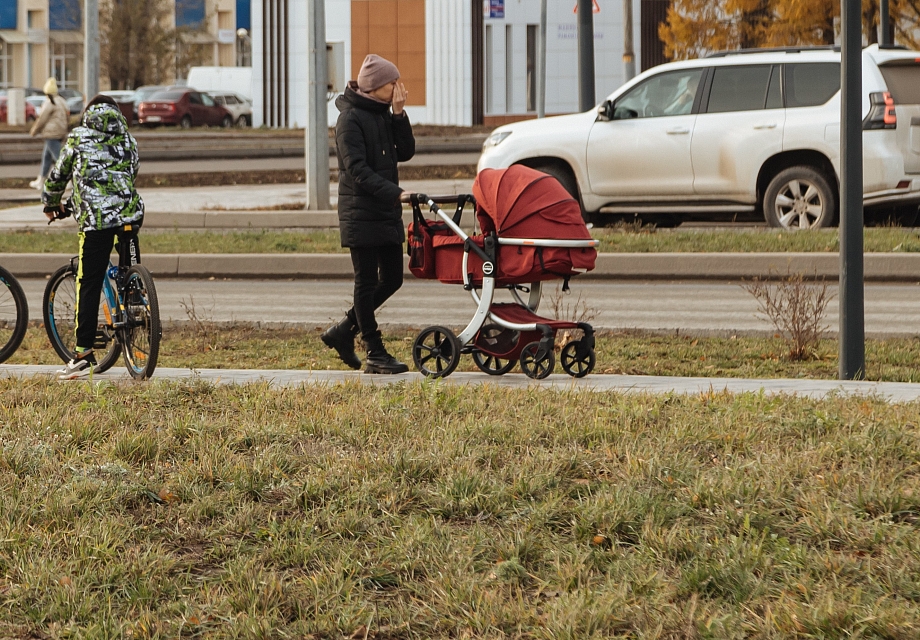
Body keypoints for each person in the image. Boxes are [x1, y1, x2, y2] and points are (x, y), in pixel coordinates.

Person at [322, 54, 416, 374]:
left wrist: (399, 114)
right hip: (360, 210)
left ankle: (343, 331)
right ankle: (374, 350)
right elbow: (357, 170)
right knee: (365, 281)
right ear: (376, 86)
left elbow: (405, 152)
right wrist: (397, 194)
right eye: (393, 83)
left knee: (392, 279)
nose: (398, 88)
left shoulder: (383, 114)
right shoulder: (349, 119)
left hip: (384, 209)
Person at [42, 94, 145, 379]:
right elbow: (131, 172)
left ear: (89, 113)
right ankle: (135, 298)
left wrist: (51, 203)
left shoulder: (79, 137)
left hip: (97, 220)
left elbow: (58, 175)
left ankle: (83, 354)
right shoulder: (128, 139)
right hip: (129, 215)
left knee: (88, 281)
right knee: (127, 269)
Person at [28, 77, 70, 190]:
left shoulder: (49, 102)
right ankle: (41, 180)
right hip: (60, 132)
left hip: (51, 133)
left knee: (59, 159)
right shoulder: (62, 101)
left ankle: (69, 181)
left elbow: (42, 119)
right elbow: (68, 116)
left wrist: (34, 131)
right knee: (46, 157)